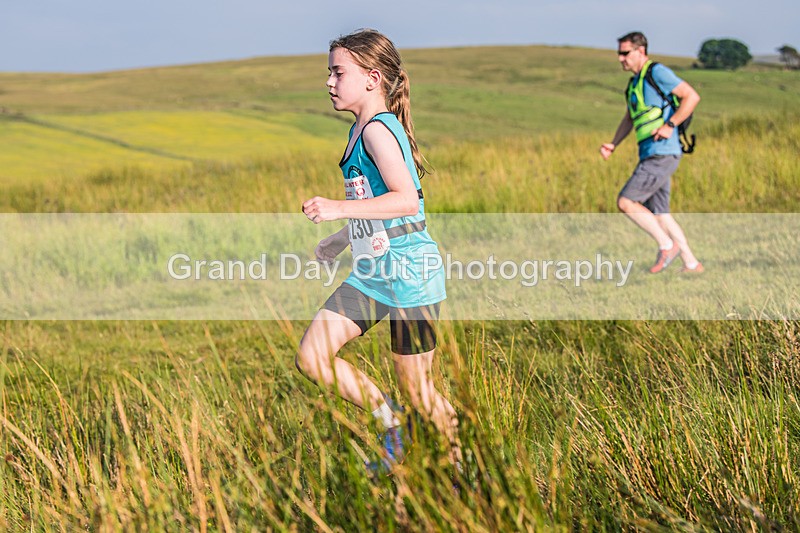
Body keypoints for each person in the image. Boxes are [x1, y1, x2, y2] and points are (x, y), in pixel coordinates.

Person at [296, 28, 460, 474]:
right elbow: (378, 205)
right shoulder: (359, 130)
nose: (329, 82)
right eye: (329, 72)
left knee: (418, 392)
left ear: (372, 78)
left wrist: (337, 208)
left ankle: (465, 470)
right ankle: (393, 425)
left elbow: (406, 200)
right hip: (373, 273)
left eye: (338, 72)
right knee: (312, 357)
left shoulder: (378, 132)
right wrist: (340, 240)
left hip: (410, 274)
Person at [600, 31, 704, 274]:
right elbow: (630, 118)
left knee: (626, 201)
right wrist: (613, 144)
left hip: (662, 153)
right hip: (650, 152)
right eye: (619, 54)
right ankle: (691, 264)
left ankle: (666, 246)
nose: (621, 59)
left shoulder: (656, 72)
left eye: (625, 53)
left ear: (641, 51)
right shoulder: (633, 84)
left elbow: (691, 96)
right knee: (660, 214)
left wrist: (670, 125)